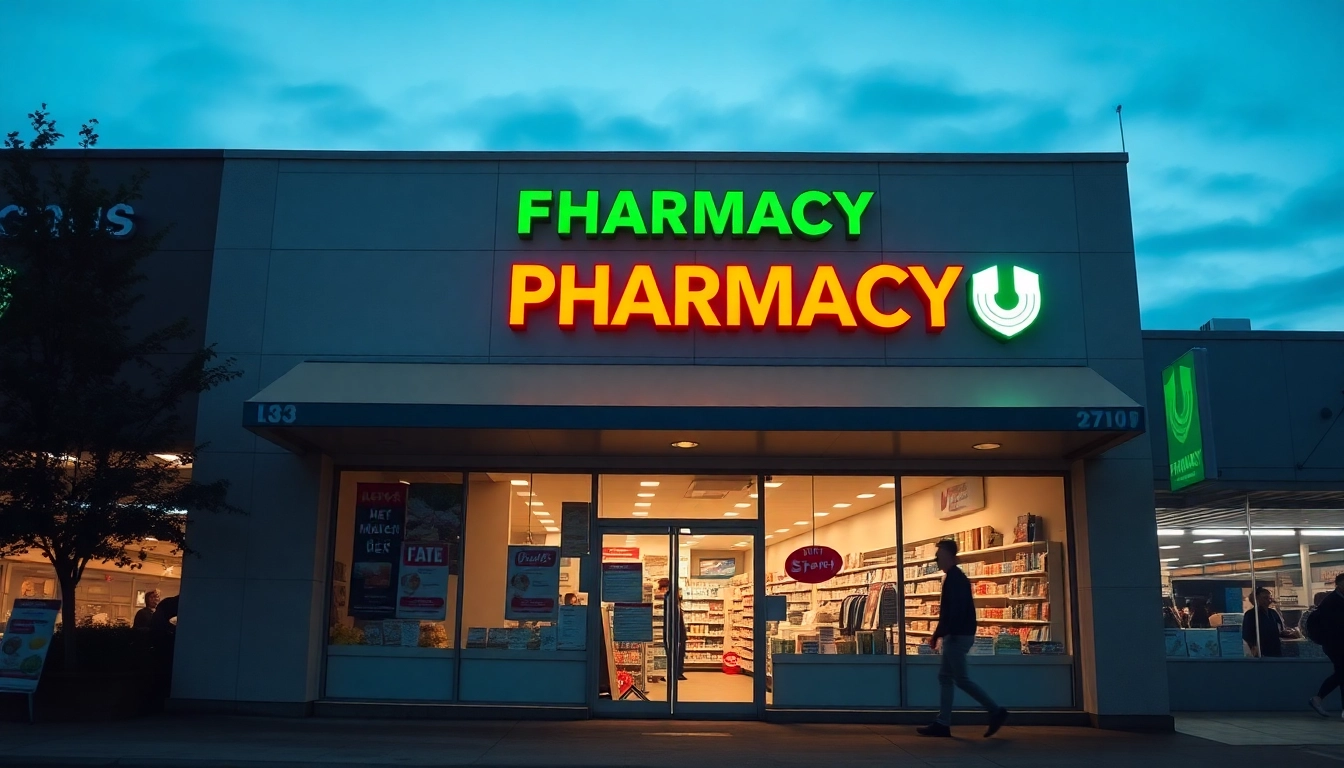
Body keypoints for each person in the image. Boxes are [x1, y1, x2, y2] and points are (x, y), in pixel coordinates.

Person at [917, 540, 1009, 738]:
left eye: (939, 556)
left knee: (960, 679)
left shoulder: (955, 579)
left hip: (958, 636)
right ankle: (943, 722)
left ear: (950, 557)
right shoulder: (954, 577)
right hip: (958, 634)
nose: (937, 559)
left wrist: (939, 633)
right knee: (946, 677)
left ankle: (994, 710)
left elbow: (953, 612)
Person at [1307, 575, 1344, 719]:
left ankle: (1318, 699)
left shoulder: (1337, 600)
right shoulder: (1332, 602)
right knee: (1342, 673)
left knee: (1341, 674)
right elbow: (1335, 626)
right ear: (1340, 584)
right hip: (1335, 644)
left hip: (1337, 643)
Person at [1242, 587, 1288, 657]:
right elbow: (1247, 634)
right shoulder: (1251, 614)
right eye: (1265, 598)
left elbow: (1281, 629)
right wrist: (1253, 646)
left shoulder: (1273, 613)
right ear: (1256, 599)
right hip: (1261, 650)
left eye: (1269, 598)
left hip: (1275, 648)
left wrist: (1288, 633)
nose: (1268, 600)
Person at [656, 578, 687, 682]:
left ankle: (674, 673)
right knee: (678, 652)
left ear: (665, 587)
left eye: (661, 588)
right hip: (678, 631)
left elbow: (672, 618)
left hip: (674, 632)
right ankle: (677, 673)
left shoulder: (669, 598)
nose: (660, 591)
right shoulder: (675, 598)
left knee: (673, 652)